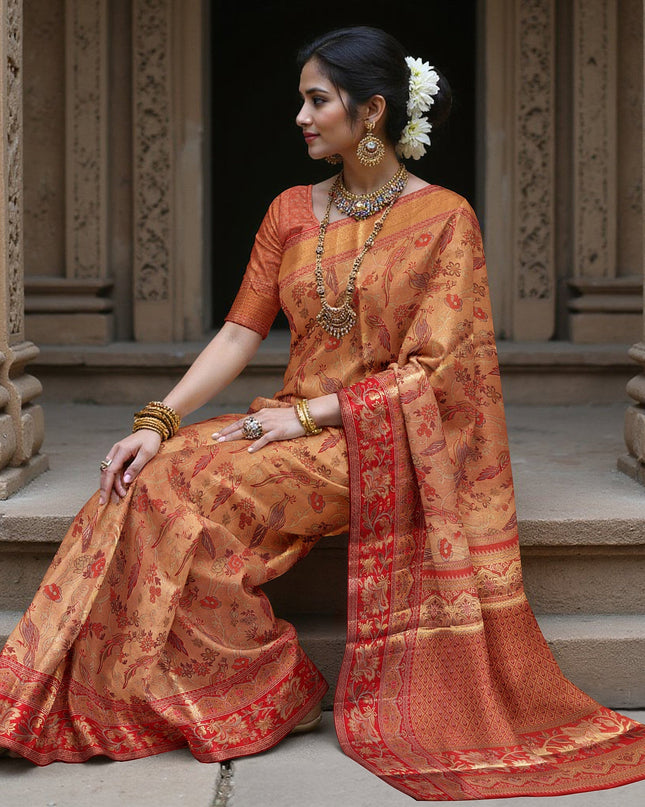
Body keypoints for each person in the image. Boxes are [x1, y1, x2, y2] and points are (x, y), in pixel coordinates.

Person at [1, 24, 645, 802]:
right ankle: (247, 680)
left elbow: (442, 370)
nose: (300, 117)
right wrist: (154, 420)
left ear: (370, 112)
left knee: (188, 492)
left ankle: (267, 690)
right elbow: (241, 331)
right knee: (150, 474)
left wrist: (312, 419)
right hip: (290, 419)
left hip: (376, 440)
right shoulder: (289, 212)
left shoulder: (443, 218)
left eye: (317, 101)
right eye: (300, 101)